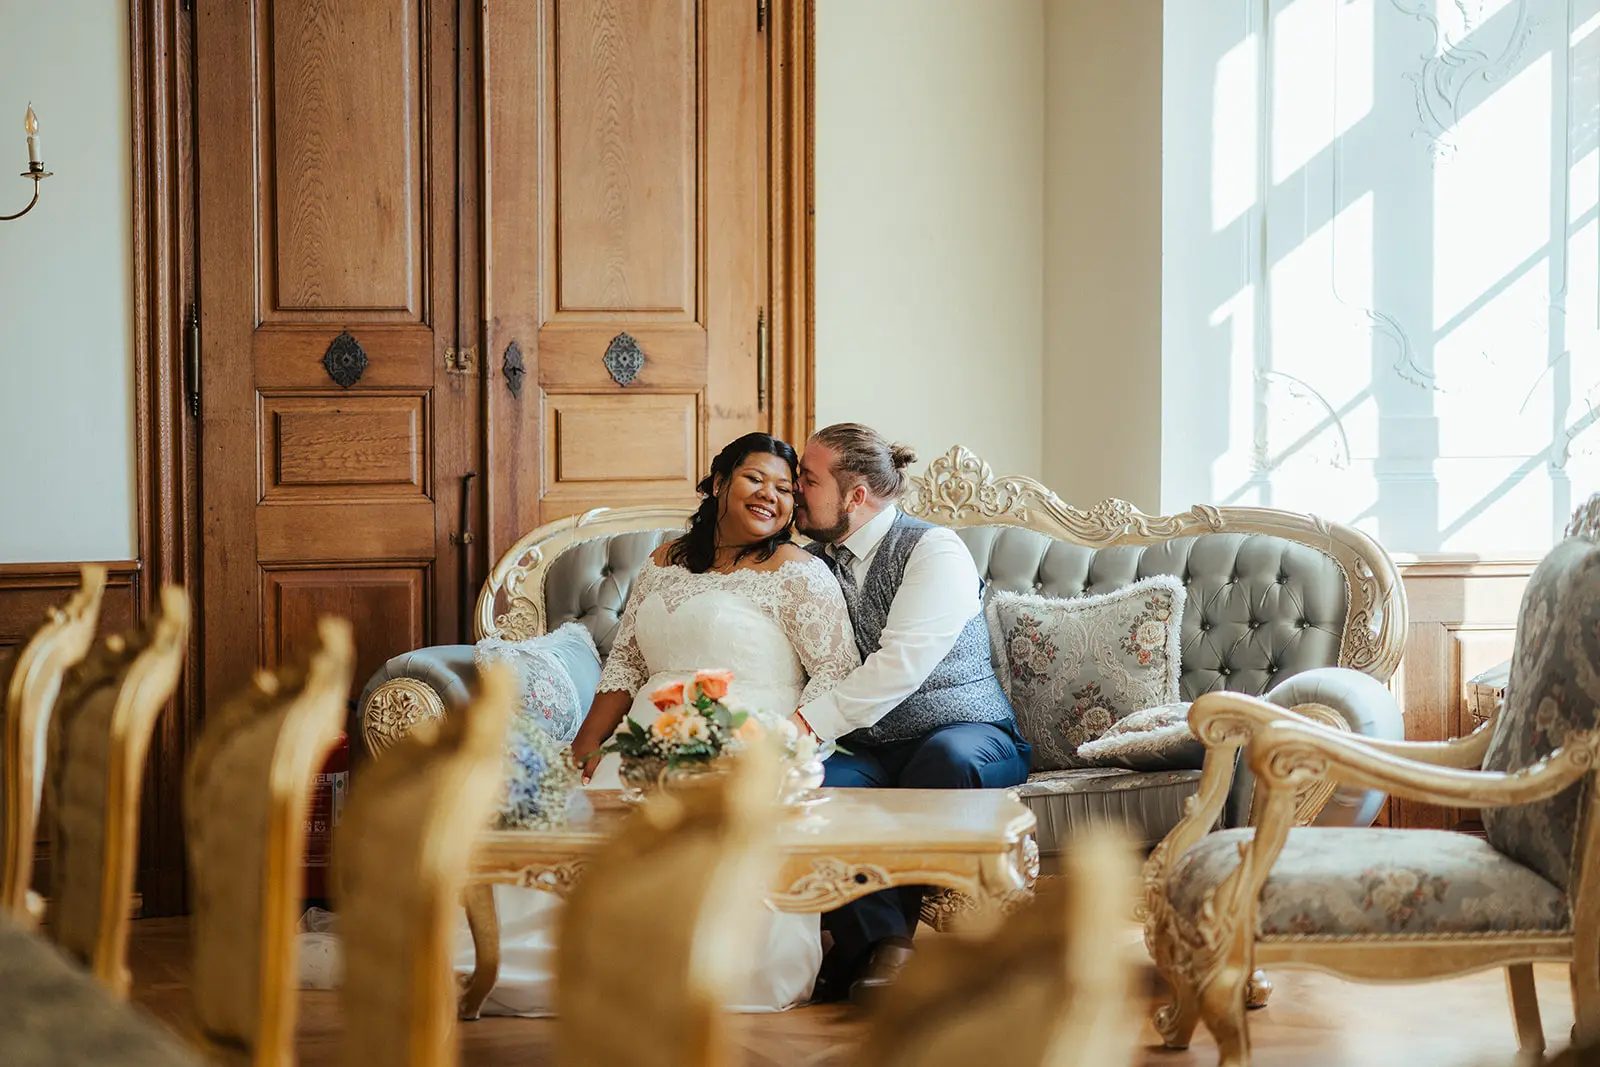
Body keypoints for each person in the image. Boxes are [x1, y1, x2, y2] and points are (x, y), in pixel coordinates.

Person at [466, 431, 861, 1015]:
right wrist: (586, 744)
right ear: (721, 481)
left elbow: (836, 672)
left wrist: (782, 748)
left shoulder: (799, 572)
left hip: (747, 750)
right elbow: (625, 661)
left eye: (785, 488)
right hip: (643, 744)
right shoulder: (662, 561)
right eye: (756, 479)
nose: (770, 497)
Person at [791, 423, 1030, 1004]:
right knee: (816, 786)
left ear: (855, 495)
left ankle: (862, 951)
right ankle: (886, 949)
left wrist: (803, 726)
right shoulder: (813, 560)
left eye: (807, 478)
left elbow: (901, 665)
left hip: (969, 731)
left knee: (944, 760)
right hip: (871, 747)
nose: (795, 488)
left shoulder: (933, 549)